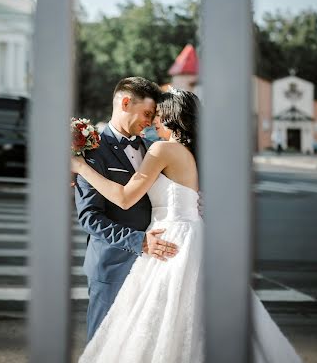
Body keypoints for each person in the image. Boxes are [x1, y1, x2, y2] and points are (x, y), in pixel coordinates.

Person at [73, 88, 302, 363]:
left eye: (156, 116)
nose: (152, 122)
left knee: (159, 321)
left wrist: (81, 168)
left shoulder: (160, 149)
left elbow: (124, 198)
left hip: (168, 240)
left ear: (171, 117)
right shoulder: (190, 153)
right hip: (184, 237)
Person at [74, 77, 180, 342]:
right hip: (111, 267)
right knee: (103, 346)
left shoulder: (152, 149)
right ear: (124, 103)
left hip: (151, 268)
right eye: (146, 113)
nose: (149, 121)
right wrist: (139, 242)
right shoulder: (91, 152)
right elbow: (90, 217)